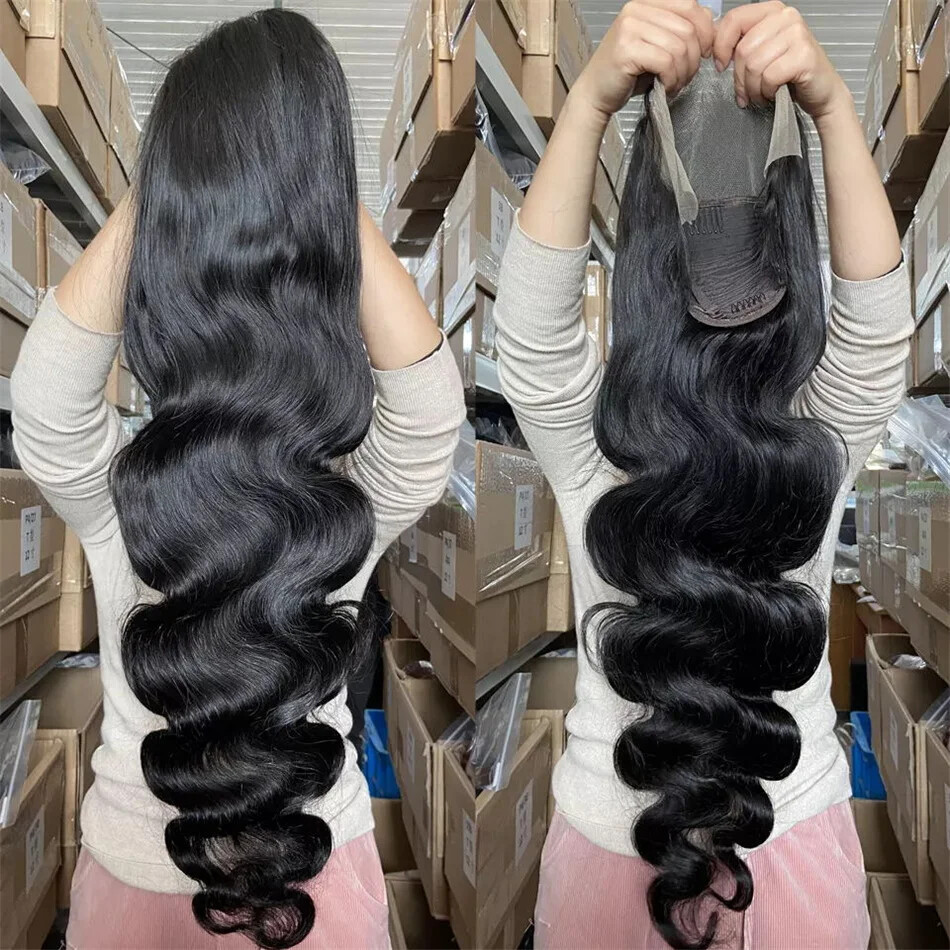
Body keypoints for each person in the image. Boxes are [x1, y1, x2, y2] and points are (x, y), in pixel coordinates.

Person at [11, 11, 464, 949]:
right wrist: (303, 182)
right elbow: (425, 413)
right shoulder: (336, 514)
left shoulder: (134, 504)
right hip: (271, 880)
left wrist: (183, 179)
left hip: (195, 879)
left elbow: (51, 402)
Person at [493, 1, 912, 947]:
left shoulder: (595, 448)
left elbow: (530, 338)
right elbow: (878, 330)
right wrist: (833, 108)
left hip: (616, 854)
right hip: (790, 852)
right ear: (794, 254)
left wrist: (591, 104)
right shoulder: (815, 443)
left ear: (638, 255)